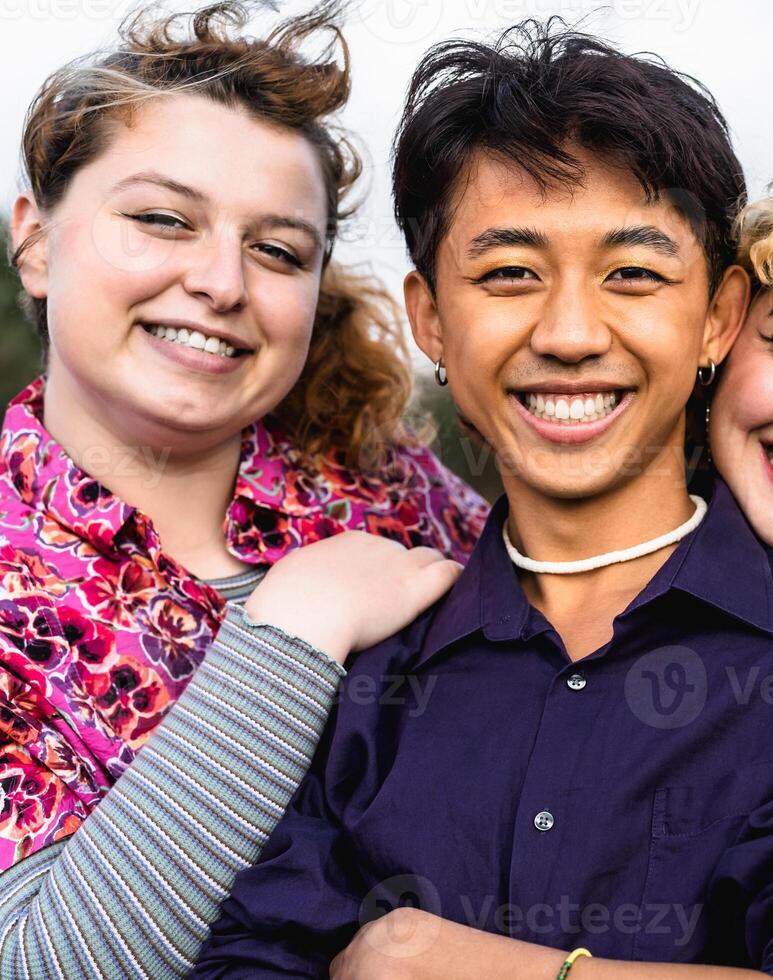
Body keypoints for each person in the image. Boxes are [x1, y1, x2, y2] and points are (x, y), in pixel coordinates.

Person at [191, 22, 773, 978]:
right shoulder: (363, 672)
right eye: (508, 274)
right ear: (431, 323)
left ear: (717, 318)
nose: (572, 332)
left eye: (632, 275)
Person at [0, 3, 483, 975]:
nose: (223, 281)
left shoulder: (399, 492)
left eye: (277, 250)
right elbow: (39, 960)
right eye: (162, 218)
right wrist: (293, 629)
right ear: (37, 241)